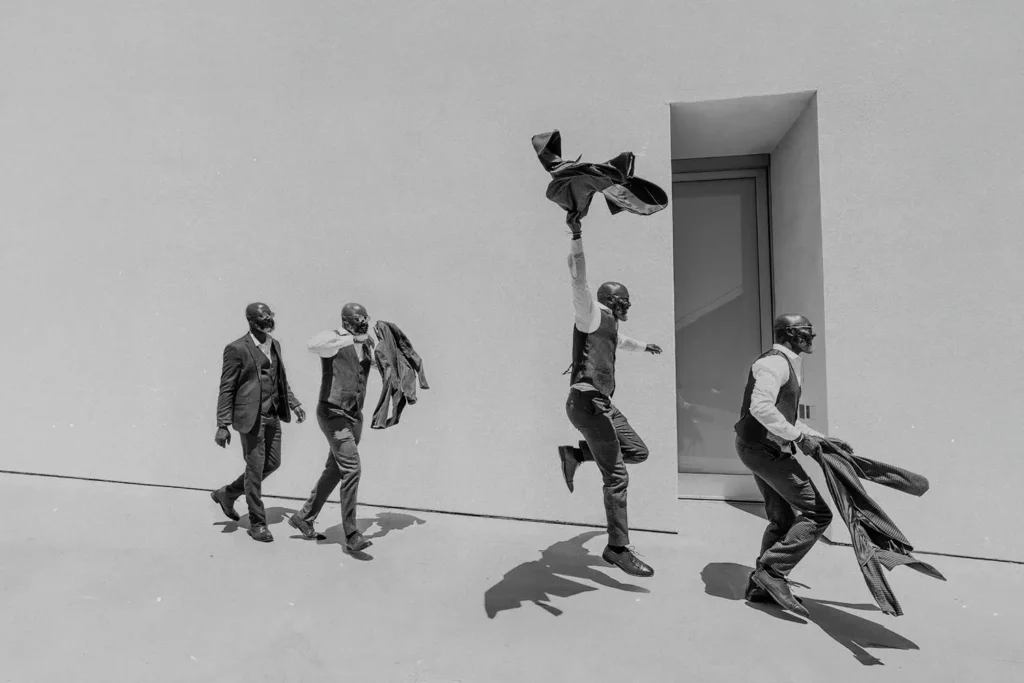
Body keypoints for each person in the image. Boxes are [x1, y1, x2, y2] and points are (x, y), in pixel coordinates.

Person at [557, 219, 663, 578]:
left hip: (603, 403)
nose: (628, 305)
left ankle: (575, 454)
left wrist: (645, 346)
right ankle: (617, 547)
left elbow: (621, 341)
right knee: (616, 475)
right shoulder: (590, 314)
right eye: (625, 301)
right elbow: (578, 280)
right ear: (613, 301)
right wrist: (576, 236)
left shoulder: (611, 326)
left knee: (637, 452)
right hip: (587, 403)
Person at [733, 314, 852, 617]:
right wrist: (800, 438)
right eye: (807, 333)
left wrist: (822, 440)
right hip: (762, 450)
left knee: (783, 520)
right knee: (817, 514)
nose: (812, 339)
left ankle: (760, 587)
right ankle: (772, 572)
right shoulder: (773, 364)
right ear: (791, 334)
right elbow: (759, 408)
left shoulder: (789, 363)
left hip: (760, 447)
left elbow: (785, 417)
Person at [211, 302, 306, 542]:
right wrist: (222, 424)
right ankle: (257, 523)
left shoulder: (275, 345)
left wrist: (294, 403)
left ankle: (228, 493)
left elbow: (280, 380)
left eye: (269, 315)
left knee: (272, 463)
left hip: (273, 415)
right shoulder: (236, 348)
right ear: (251, 320)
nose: (268, 319)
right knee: (254, 469)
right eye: (263, 316)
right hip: (250, 418)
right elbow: (227, 388)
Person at [288, 303, 376, 553]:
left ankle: (304, 517)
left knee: (336, 470)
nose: (364, 322)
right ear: (347, 321)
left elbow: (378, 366)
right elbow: (312, 344)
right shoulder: (334, 340)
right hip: (332, 413)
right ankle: (351, 534)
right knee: (352, 469)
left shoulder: (366, 344)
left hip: (354, 415)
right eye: (359, 318)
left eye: (366, 318)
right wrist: (348, 338)